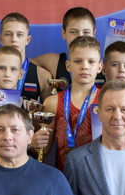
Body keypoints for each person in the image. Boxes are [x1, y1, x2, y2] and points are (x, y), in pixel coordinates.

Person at [32, 36, 104, 171]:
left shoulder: (106, 101)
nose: (84, 66)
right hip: (65, 177)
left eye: (91, 61)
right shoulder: (52, 102)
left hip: (98, 177)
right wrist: (34, 144)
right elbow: (44, 151)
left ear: (100, 66)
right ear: (68, 65)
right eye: (78, 61)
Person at [0, 12, 54, 104]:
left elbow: (46, 111)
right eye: (8, 34)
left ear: (27, 40)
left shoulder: (42, 76)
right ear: (0, 39)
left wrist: (37, 108)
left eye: (19, 34)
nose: (14, 39)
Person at [31, 7, 105, 86]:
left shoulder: (107, 67)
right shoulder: (53, 62)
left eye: (86, 32)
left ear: (93, 34)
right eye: (73, 32)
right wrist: (45, 78)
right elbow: (24, 66)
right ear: (64, 33)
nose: (80, 37)